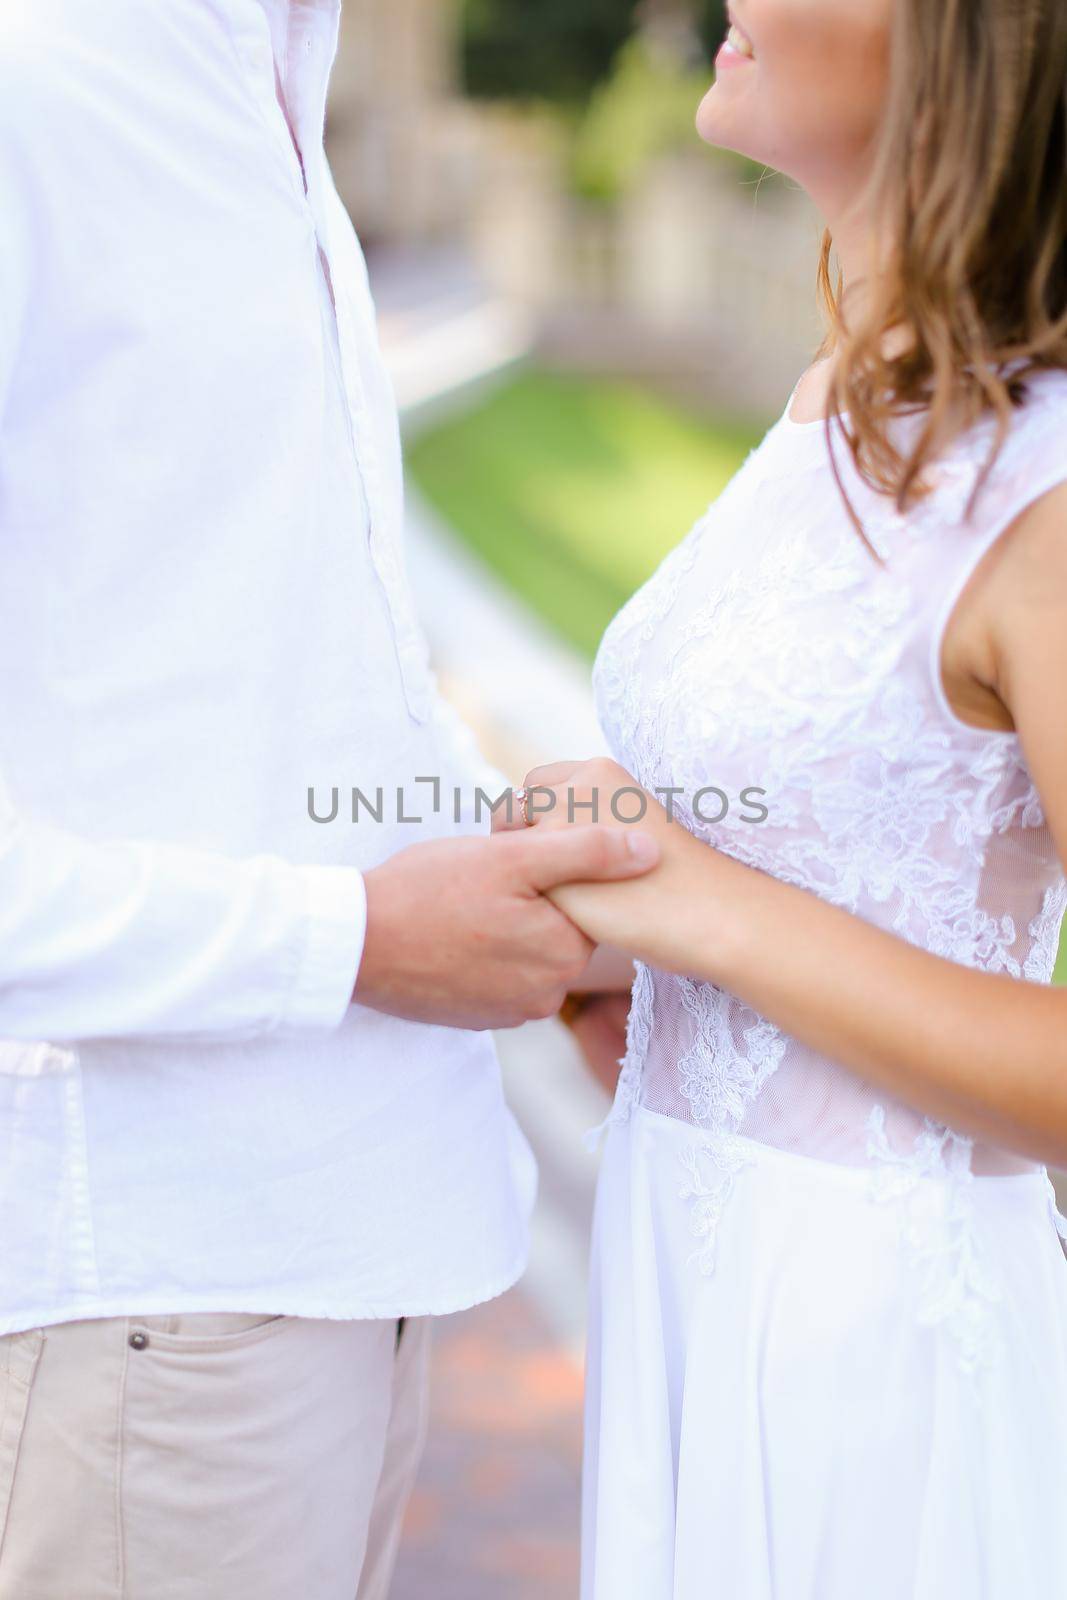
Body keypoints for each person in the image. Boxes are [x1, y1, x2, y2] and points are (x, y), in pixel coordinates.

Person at [0, 2, 660, 1596]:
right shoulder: (36, 87)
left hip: (365, 1253)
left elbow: (232, 669)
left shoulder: (260, 82)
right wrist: (356, 938)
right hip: (158, 1282)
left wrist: (526, 898)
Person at [518, 2, 1067, 1594]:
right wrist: (630, 955)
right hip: (696, 1265)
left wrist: (709, 909)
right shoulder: (844, 389)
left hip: (868, 1357)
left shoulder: (1041, 483)